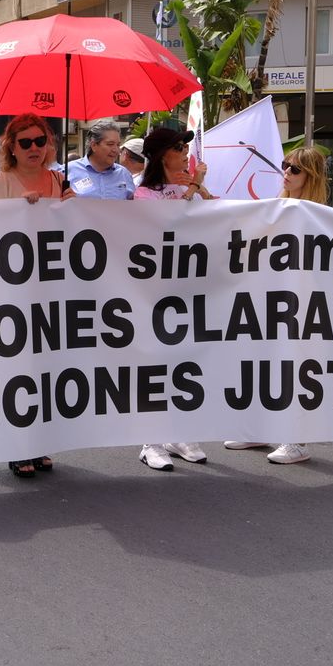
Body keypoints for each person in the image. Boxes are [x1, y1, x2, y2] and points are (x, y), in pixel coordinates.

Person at [224, 147, 328, 464]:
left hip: (304, 302)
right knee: (265, 362)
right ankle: (260, 428)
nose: (286, 172)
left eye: (294, 169)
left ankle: (296, 440)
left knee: (297, 367)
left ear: (310, 176)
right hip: (271, 298)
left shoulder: (319, 213)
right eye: (285, 165)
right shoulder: (279, 206)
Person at [0, 114, 69, 477]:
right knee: (18, 371)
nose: (34, 148)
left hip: (53, 293)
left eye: (40, 141)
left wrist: (72, 207)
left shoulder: (60, 181)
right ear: (11, 148)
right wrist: (18, 212)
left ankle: (42, 440)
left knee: (48, 369)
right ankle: (18, 445)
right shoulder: (0, 183)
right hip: (12, 293)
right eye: (25, 142)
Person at [131, 128, 210, 470]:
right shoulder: (144, 193)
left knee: (187, 362)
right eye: (180, 147)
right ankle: (151, 442)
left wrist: (200, 188)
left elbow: (224, 219)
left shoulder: (188, 187)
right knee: (158, 363)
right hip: (157, 291)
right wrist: (193, 188)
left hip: (192, 287)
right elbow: (166, 225)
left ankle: (180, 432)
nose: (185, 152)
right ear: (165, 155)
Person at [64, 120, 136, 200]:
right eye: (110, 144)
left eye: (118, 145)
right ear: (94, 145)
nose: (116, 150)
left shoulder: (124, 174)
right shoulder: (67, 171)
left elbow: (133, 208)